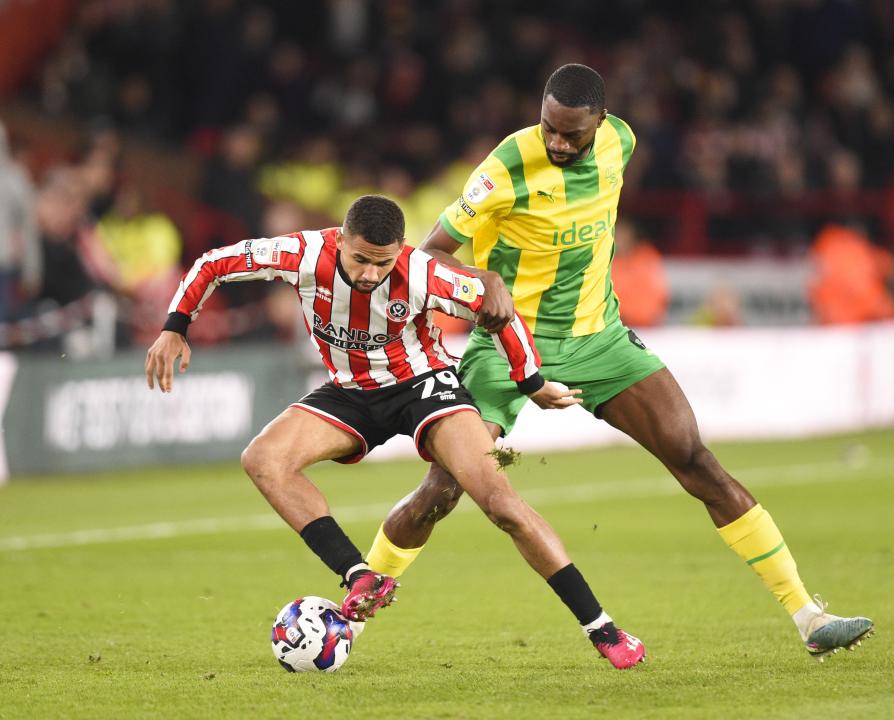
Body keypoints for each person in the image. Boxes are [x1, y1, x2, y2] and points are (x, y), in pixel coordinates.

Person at [364, 64, 874, 661]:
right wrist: (481, 280)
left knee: (695, 459)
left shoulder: (621, 142)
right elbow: (428, 258)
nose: (556, 142)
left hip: (600, 340)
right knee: (445, 487)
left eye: (570, 134)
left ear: (600, 123)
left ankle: (807, 616)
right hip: (508, 345)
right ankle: (354, 612)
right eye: (549, 127)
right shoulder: (505, 167)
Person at [144, 195, 646, 669]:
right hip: (349, 392)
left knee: (499, 502)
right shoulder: (300, 253)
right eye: (361, 260)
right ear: (340, 238)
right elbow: (213, 262)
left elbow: (500, 315)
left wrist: (531, 381)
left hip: (423, 386)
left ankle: (601, 628)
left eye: (383, 263)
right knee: (262, 459)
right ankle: (359, 575)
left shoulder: (422, 272)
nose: (371, 274)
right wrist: (175, 325)